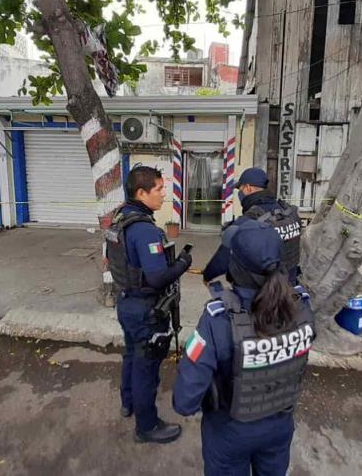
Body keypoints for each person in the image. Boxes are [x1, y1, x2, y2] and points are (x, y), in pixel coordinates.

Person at [173, 219, 315, 475]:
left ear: (235, 267)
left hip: (230, 433)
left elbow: (185, 401)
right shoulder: (301, 306)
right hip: (280, 427)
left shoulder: (218, 319)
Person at [107, 165, 193, 443]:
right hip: (145, 310)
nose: (163, 194)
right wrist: (182, 264)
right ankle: (146, 427)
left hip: (126, 303)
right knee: (146, 368)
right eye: (159, 189)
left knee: (132, 355)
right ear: (141, 192)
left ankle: (128, 403)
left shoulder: (121, 217)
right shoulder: (143, 230)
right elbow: (156, 278)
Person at [203, 167, 302, 285]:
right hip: (290, 286)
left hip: (263, 294)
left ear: (248, 188)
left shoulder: (248, 221)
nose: (239, 194)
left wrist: (207, 276)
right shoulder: (287, 212)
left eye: (240, 189)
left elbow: (221, 261)